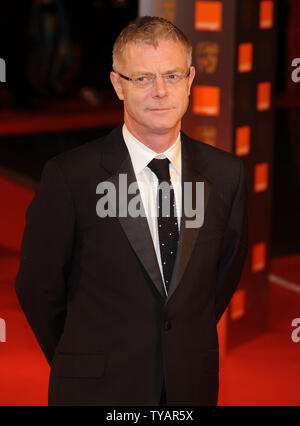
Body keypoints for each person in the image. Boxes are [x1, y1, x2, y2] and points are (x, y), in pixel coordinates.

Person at [15, 16, 248, 406]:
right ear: (117, 85)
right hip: (96, 390)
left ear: (190, 80)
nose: (160, 91)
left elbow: (220, 279)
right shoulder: (71, 176)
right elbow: (38, 287)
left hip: (189, 386)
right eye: (142, 78)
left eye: (172, 76)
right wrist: (80, 357)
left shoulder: (226, 175)